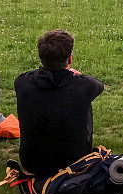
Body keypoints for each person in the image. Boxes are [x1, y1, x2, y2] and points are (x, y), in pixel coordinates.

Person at [15, 30, 104, 176]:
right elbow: (98, 85)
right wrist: (76, 75)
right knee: (84, 102)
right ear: (69, 59)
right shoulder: (83, 86)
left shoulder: (22, 82)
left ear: (41, 57)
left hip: (31, 162)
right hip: (74, 162)